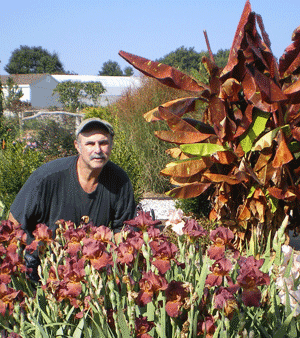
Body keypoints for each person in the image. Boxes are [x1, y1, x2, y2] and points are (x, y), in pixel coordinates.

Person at [8, 118, 136, 280]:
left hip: (91, 263)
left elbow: (123, 231)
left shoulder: (119, 180)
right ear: (77, 146)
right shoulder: (47, 177)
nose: (98, 149)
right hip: (44, 261)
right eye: (90, 144)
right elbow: (12, 226)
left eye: (103, 143)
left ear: (111, 144)